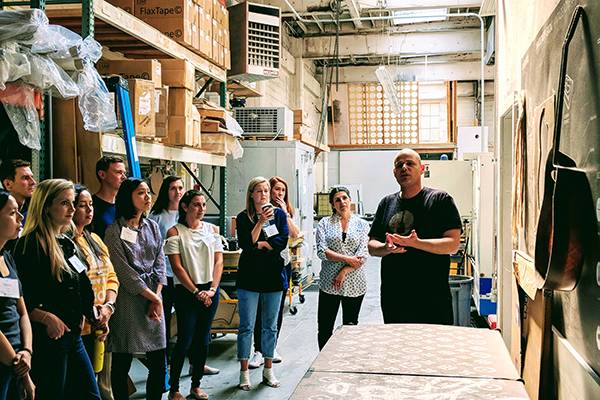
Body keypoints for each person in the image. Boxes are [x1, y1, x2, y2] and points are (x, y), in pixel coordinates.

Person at [12, 179, 100, 399]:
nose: (72, 209)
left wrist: (90, 312)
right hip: (49, 338)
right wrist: (45, 317)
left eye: (72, 203)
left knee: (91, 394)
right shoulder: (29, 245)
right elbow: (21, 297)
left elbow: (82, 283)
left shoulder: (67, 242)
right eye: (64, 203)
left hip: (74, 335)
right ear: (46, 207)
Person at [368, 149, 462, 324]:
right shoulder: (386, 203)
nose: (404, 168)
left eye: (410, 163)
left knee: (433, 348)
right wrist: (385, 248)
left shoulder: (440, 200)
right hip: (394, 296)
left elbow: (453, 244)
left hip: (432, 296)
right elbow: (372, 245)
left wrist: (416, 243)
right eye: (399, 165)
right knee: (398, 347)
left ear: (422, 168)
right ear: (394, 172)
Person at [104, 178, 167, 400]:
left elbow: (160, 262)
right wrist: (152, 297)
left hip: (154, 298)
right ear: (128, 197)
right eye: (141, 193)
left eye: (148, 192)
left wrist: (156, 297)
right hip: (129, 300)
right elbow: (123, 271)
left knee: (159, 360)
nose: (147, 197)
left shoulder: (152, 227)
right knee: (123, 359)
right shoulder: (114, 230)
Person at [164, 190, 223, 400]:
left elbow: (218, 261)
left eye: (203, 205)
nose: (201, 209)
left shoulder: (212, 230)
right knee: (185, 339)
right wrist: (197, 291)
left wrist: (213, 289)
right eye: (196, 205)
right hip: (186, 291)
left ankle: (196, 385)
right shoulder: (175, 232)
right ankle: (174, 389)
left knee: (203, 339)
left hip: (210, 289)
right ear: (185, 207)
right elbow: (177, 267)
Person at [235, 177, 288, 391]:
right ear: (251, 194)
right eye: (259, 191)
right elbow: (247, 245)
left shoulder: (280, 215)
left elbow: (281, 241)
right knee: (247, 326)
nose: (264, 194)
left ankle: (268, 370)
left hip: (273, 276)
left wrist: (264, 244)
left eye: (266, 190)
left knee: (270, 326)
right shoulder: (242, 217)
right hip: (249, 277)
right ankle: (244, 372)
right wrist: (259, 223)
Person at [249, 176, 300, 368]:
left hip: (281, 263)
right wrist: (266, 244)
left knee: (276, 308)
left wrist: (285, 213)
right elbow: (250, 243)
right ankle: (258, 350)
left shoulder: (282, 213)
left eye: (283, 191)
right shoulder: (259, 212)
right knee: (260, 309)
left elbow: (287, 237)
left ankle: (272, 346)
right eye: (276, 189)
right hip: (260, 265)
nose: (279, 194)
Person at [71, 185, 120, 369]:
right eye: (82, 205)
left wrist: (108, 307)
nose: (89, 209)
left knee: (98, 375)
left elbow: (111, 277)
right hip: (79, 324)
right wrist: (91, 312)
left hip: (100, 320)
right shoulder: (66, 243)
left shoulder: (95, 239)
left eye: (91, 204)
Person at [316, 186, 369, 350]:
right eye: (337, 200)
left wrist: (344, 271)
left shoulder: (362, 224)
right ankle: (323, 363)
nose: (342, 202)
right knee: (325, 327)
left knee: (350, 327)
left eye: (345, 198)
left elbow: (363, 254)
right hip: (329, 283)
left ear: (350, 200)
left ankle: (347, 361)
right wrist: (347, 259)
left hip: (355, 283)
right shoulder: (324, 223)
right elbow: (321, 251)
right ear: (332, 204)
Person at [0, 190, 35, 399]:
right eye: (13, 213)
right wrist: (20, 367)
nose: (20, 218)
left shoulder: (8, 258)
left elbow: (22, 311)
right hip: (8, 360)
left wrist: (27, 351)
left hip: (18, 359)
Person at [148, 176, 184, 354]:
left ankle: (193, 360)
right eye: (173, 188)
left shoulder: (186, 215)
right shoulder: (156, 217)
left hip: (184, 276)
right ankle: (164, 359)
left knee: (187, 320)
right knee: (164, 319)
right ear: (166, 191)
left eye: (180, 188)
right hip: (165, 276)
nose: (177, 192)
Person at [90, 156, 127, 239]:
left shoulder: (123, 205)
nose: (124, 177)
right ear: (102, 174)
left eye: (124, 173)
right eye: (119, 172)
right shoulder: (90, 207)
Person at [0, 159, 36, 223]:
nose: (33, 182)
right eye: (25, 178)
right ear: (8, 184)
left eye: (32, 177)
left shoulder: (34, 210)